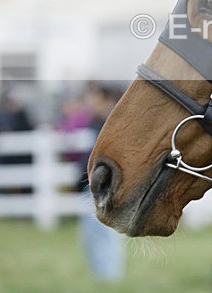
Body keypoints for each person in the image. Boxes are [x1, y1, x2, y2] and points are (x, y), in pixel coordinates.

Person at [79, 83, 126, 282]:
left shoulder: (111, 122)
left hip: (106, 184)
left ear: (104, 99)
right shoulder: (95, 122)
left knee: (106, 231)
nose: (89, 102)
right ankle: (102, 275)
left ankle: (110, 276)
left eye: (93, 97)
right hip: (90, 184)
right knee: (89, 233)